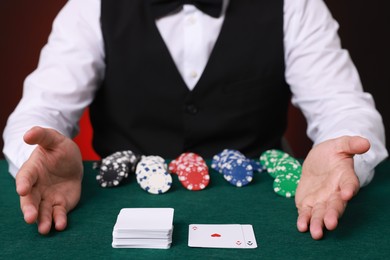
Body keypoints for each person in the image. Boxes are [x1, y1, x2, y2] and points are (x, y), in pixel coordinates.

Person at [2, 0, 388, 240]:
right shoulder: (90, 6)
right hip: (119, 202)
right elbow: (39, 112)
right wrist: (36, 152)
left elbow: (344, 107)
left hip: (264, 205)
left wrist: (346, 153)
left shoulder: (295, 5)